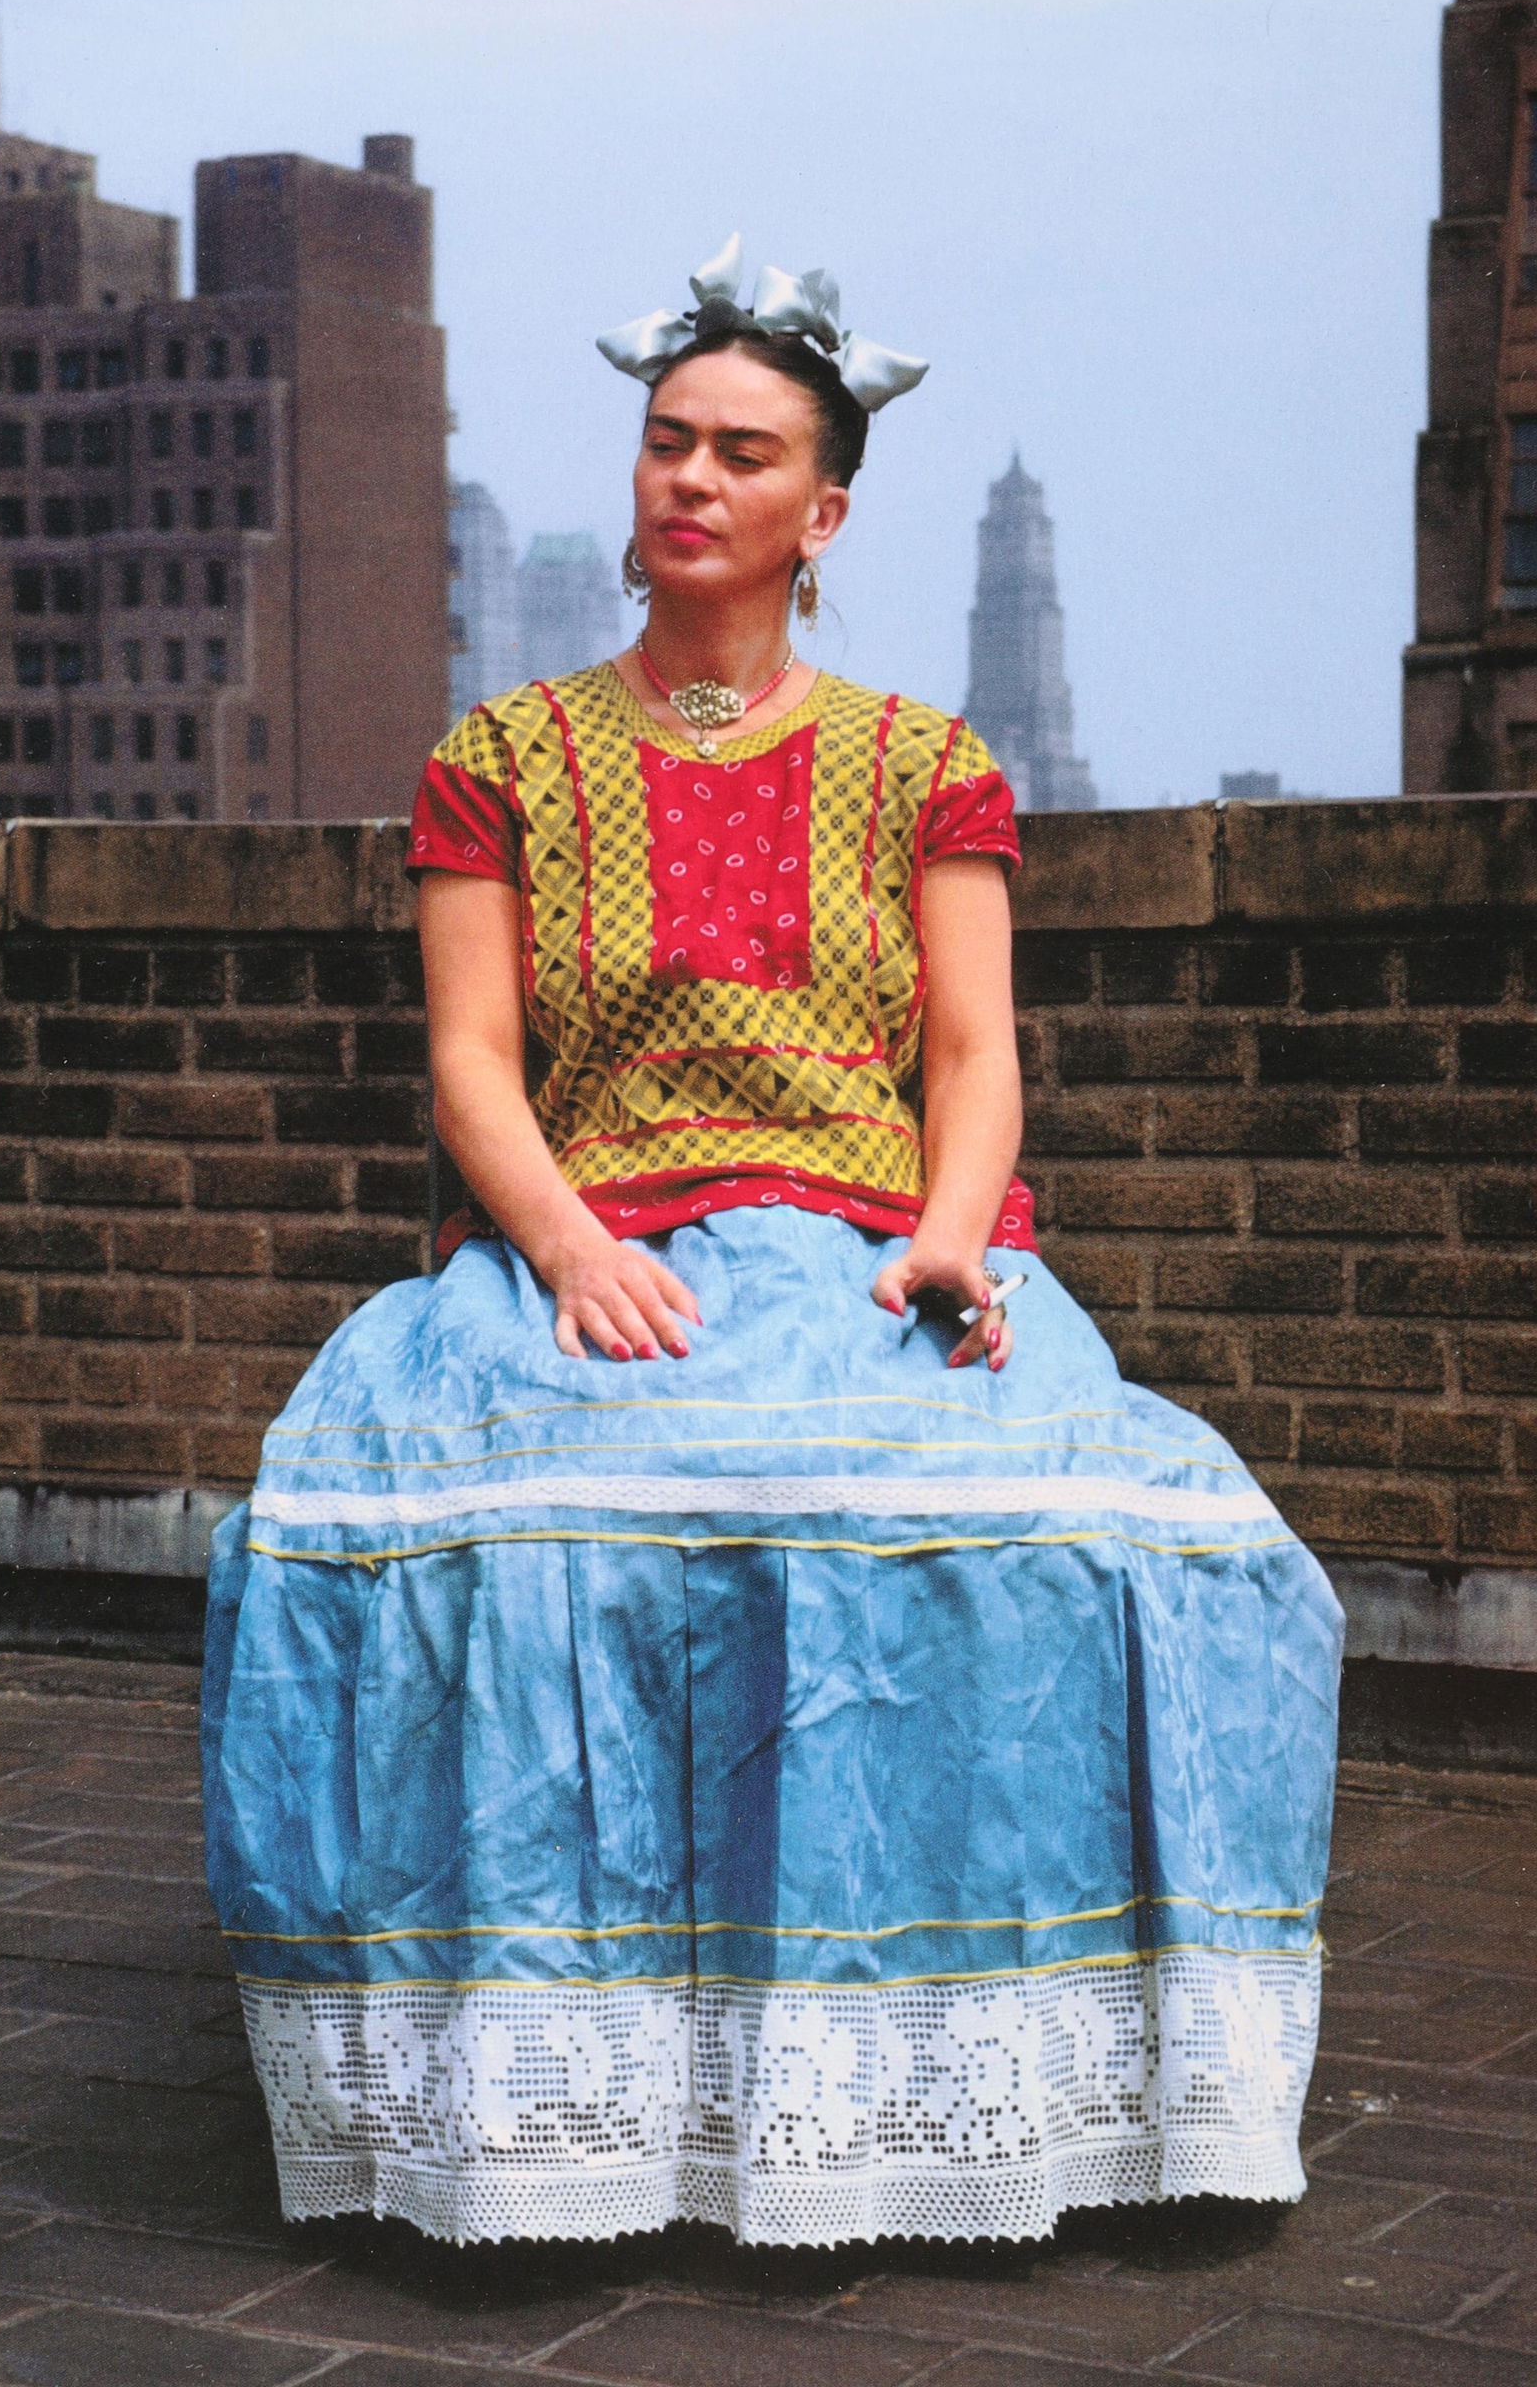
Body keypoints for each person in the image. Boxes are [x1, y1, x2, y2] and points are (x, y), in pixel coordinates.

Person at [202, 237, 1343, 2252]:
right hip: (599, 1235)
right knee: (518, 1544)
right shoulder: (499, 762)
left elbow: (975, 1051)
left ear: (821, 514)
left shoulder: (924, 765)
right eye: (665, 445)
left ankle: (927, 2080)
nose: (688, 483)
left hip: (867, 1244)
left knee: (1072, 1541)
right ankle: (567, 2103)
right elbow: (471, 1063)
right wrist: (557, 1246)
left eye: (740, 455)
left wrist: (944, 1237)